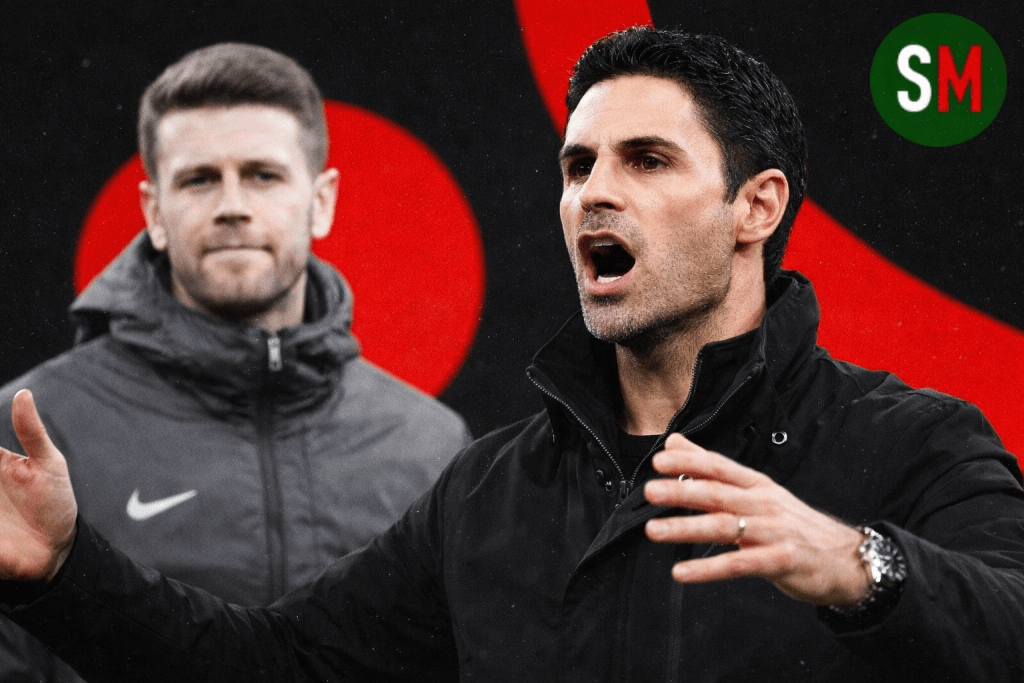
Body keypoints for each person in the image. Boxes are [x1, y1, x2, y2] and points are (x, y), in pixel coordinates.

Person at [3, 26, 1024, 682]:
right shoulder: (490, 488)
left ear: (755, 207)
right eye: (577, 166)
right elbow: (276, 660)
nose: (593, 192)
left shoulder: (913, 443)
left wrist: (859, 565)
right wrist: (63, 567)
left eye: (646, 159)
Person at [0, 43, 471, 682]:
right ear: (153, 213)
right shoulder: (38, 431)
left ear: (322, 200)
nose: (232, 205)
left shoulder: (433, 446)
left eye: (263, 175)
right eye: (199, 178)